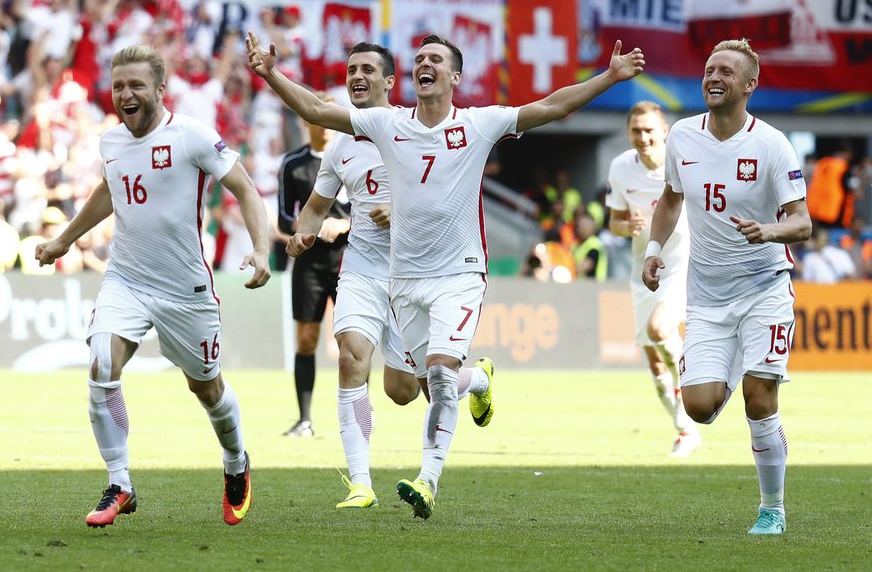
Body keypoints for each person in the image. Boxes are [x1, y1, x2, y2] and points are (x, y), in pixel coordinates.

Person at [247, 30, 644, 519]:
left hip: (459, 273)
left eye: (435, 59)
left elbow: (552, 107)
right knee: (408, 388)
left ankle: (427, 481)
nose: (424, 64)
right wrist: (269, 74)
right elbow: (315, 112)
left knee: (436, 371)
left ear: (455, 77)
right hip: (403, 280)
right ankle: (476, 381)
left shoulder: (479, 125)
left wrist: (609, 76)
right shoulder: (384, 127)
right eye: (420, 59)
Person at [36, 45, 272, 528]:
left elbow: (246, 188)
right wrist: (64, 239)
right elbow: (111, 188)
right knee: (102, 363)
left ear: (160, 89)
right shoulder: (111, 142)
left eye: (136, 85)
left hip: (184, 289)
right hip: (126, 277)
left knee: (205, 387)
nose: (126, 93)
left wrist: (261, 248)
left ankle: (236, 462)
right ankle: (120, 483)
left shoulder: (193, 137)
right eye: (119, 85)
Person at [285, 42, 494, 508]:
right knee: (349, 357)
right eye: (350, 70)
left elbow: (443, 192)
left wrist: (399, 208)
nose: (356, 77)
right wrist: (303, 234)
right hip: (361, 268)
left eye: (366, 70)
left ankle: (476, 380)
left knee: (406, 391)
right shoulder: (341, 146)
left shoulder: (411, 129)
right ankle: (361, 483)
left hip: (416, 273)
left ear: (388, 82)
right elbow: (316, 208)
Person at [642, 39, 811, 536]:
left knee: (759, 399)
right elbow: (671, 199)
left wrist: (769, 231)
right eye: (710, 69)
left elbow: (801, 223)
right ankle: (739, 362)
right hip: (709, 294)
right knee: (698, 407)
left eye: (727, 72)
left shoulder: (772, 145)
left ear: (749, 85)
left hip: (764, 287)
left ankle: (772, 509)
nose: (714, 77)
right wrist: (654, 251)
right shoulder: (684, 138)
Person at [606, 101, 700, 457]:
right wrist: (625, 226)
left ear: (665, 131)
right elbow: (614, 220)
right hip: (641, 265)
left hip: (681, 261)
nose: (643, 137)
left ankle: (694, 379)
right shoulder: (620, 168)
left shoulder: (682, 163)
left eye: (649, 130)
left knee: (661, 330)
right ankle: (684, 430)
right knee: (655, 359)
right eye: (636, 131)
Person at [278, 105, 350, 437]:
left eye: (329, 121)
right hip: (308, 261)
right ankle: (304, 419)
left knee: (353, 342)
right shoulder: (293, 164)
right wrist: (308, 228)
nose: (325, 127)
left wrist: (344, 222)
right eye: (318, 120)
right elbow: (282, 218)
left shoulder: (351, 157)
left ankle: (359, 413)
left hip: (349, 258)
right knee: (306, 340)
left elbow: (370, 206)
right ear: (307, 121)